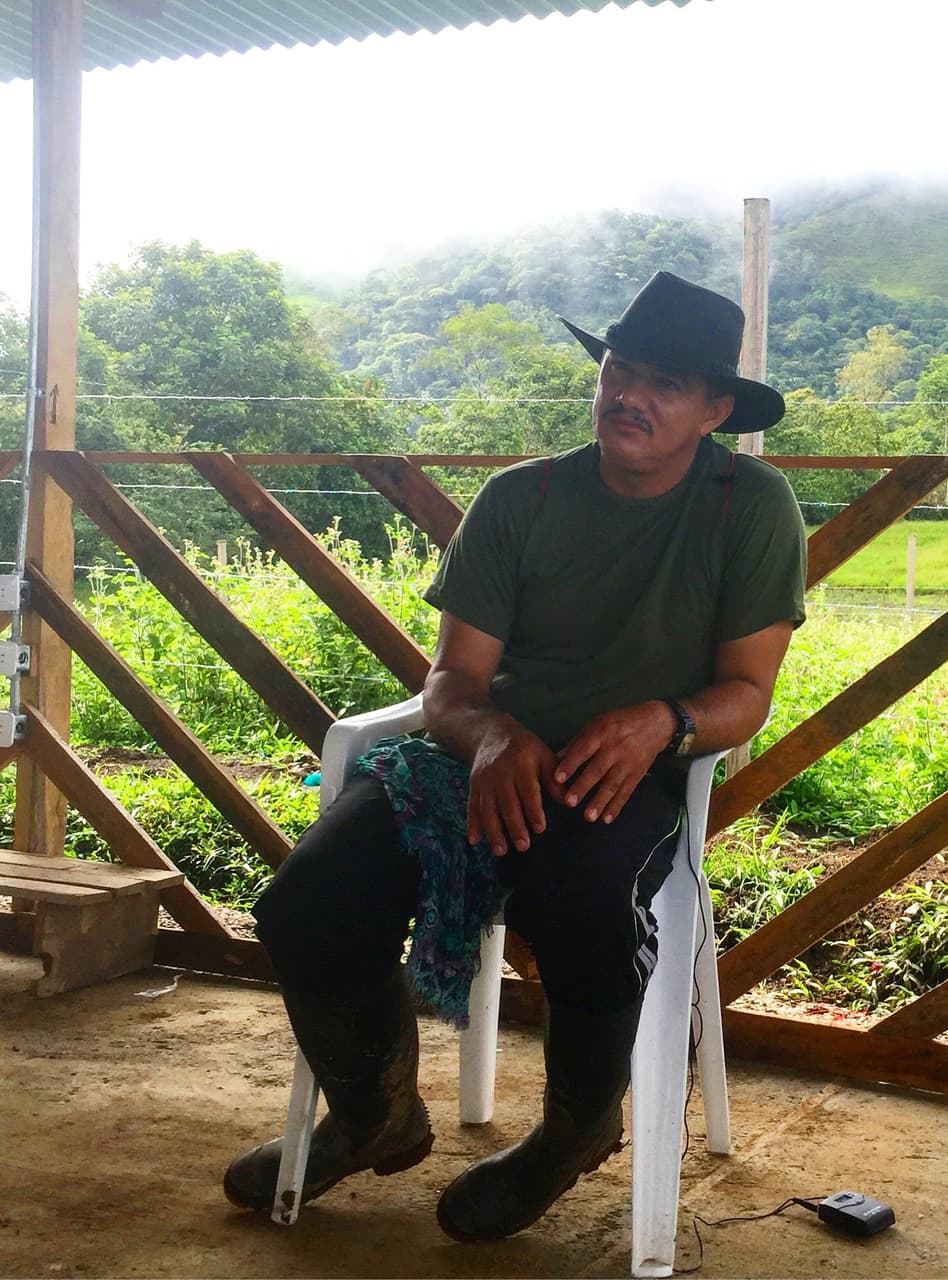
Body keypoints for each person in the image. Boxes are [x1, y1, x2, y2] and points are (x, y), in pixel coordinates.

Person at [222, 270, 808, 1242]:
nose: (630, 394)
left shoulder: (748, 506)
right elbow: (450, 683)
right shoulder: (520, 497)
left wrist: (658, 719)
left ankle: (573, 1129)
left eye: (664, 382)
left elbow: (746, 693)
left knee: (584, 896)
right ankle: (374, 1112)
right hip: (476, 753)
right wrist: (494, 735)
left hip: (639, 764)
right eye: (620, 367)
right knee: (306, 902)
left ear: (712, 409)